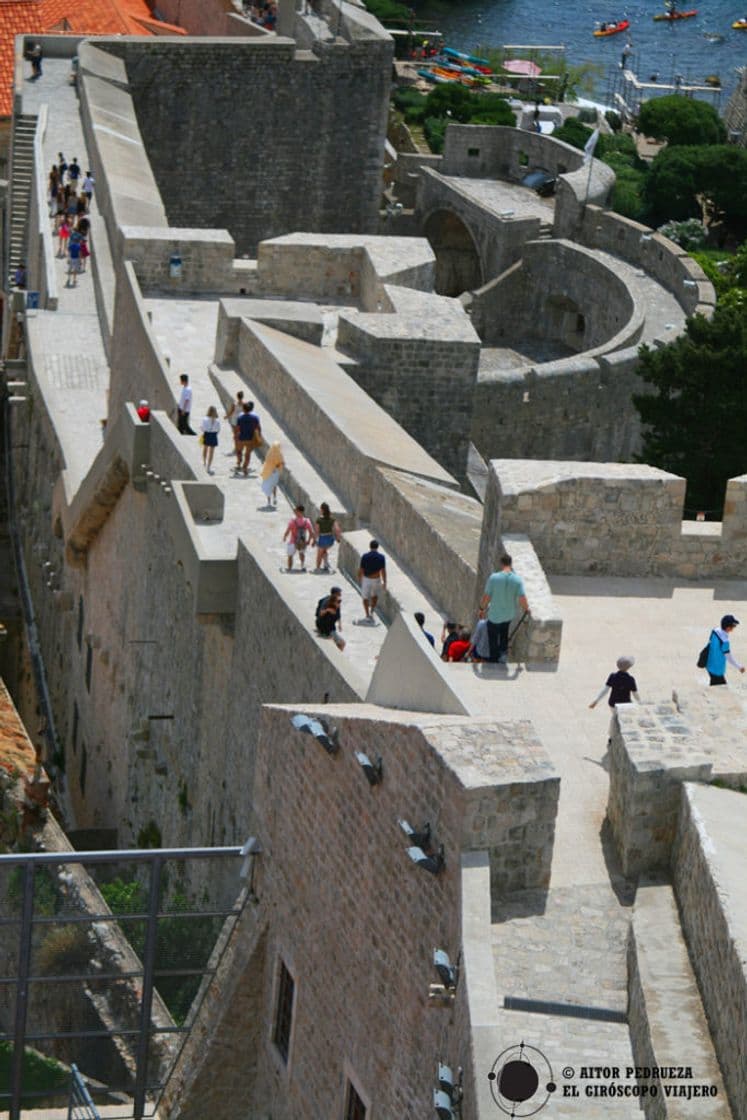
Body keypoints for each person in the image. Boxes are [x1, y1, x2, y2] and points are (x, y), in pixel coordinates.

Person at [479, 552, 530, 664]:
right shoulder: (517, 580)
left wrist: (481, 609)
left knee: (493, 638)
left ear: (501, 564)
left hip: (494, 616)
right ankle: (502, 656)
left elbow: (486, 597)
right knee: (503, 634)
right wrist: (527, 609)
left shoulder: (494, 578)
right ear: (511, 564)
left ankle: (493, 660)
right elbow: (522, 598)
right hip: (508, 615)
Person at [704, 615, 745, 686]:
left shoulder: (715, 631)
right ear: (728, 627)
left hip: (709, 665)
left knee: (715, 687)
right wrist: (739, 667)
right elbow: (729, 658)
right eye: (733, 626)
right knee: (721, 689)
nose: (734, 627)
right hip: (717, 670)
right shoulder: (725, 641)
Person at [358, 540, 386, 622]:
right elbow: (383, 571)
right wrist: (384, 582)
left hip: (366, 579)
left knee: (365, 597)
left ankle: (367, 614)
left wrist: (360, 578)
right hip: (376, 579)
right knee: (375, 595)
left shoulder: (365, 556)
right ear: (377, 547)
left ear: (370, 547)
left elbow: (361, 569)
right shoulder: (381, 557)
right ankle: (372, 610)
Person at [283, 505, 315, 571]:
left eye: (296, 511)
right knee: (302, 554)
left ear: (299, 511)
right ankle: (302, 566)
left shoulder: (292, 521)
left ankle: (289, 568)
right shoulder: (307, 521)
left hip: (293, 541)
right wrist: (308, 541)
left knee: (290, 555)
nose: (295, 512)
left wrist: (285, 537)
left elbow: (288, 530)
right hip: (302, 541)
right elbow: (311, 532)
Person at [234, 400, 261, 475]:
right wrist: (259, 436)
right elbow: (258, 428)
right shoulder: (255, 418)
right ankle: (245, 468)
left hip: (241, 438)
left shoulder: (240, 418)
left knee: (239, 451)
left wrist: (236, 436)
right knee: (248, 454)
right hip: (250, 439)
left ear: (243, 409)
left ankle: (239, 462)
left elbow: (237, 429)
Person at [315, 502, 341, 572]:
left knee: (319, 554)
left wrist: (316, 540)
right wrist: (338, 538)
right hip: (330, 539)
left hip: (322, 538)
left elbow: (317, 531)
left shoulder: (319, 520)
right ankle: (326, 564)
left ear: (322, 510)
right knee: (324, 550)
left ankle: (318, 568)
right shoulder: (332, 519)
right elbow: (337, 529)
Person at [260, 442, 284, 507]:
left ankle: (268, 502)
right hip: (275, 472)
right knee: (274, 485)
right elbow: (281, 463)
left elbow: (266, 462)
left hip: (268, 472)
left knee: (268, 486)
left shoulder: (269, 453)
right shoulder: (280, 454)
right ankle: (275, 497)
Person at [225, 389, 244, 464]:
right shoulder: (244, 404)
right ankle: (238, 449)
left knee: (235, 435)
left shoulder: (235, 404)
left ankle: (236, 449)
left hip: (234, 420)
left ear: (237, 396)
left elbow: (231, 412)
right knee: (239, 435)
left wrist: (226, 416)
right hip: (241, 421)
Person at [200, 405, 221, 472]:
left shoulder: (205, 419)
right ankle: (209, 466)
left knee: (205, 449)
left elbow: (203, 428)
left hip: (207, 434)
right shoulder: (217, 420)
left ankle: (204, 462)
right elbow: (218, 429)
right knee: (211, 452)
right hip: (214, 435)